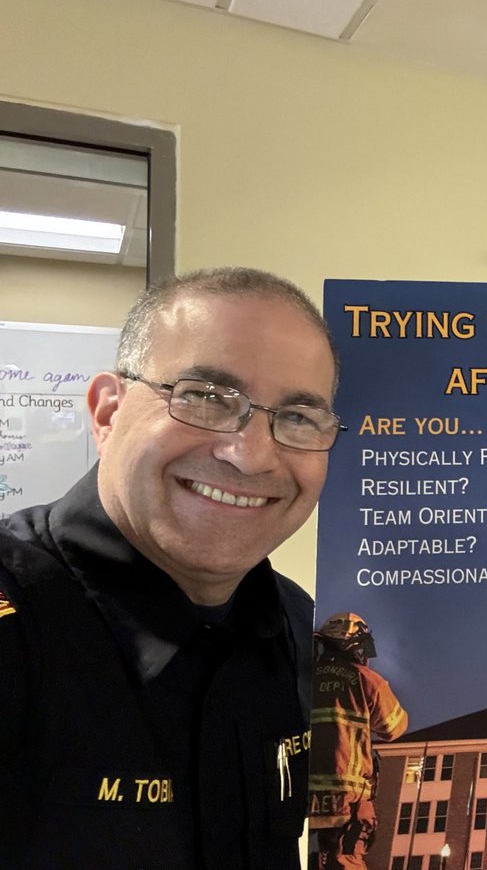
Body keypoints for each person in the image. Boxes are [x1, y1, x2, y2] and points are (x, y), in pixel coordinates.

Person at [0, 267, 343, 869]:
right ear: (107, 412)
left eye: (297, 418)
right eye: (206, 398)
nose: (251, 455)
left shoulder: (298, 626)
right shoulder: (16, 625)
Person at [309, 611, 408, 869]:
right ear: (357, 646)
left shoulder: (304, 678)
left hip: (300, 798)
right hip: (347, 801)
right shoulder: (366, 680)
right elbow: (394, 727)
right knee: (345, 861)